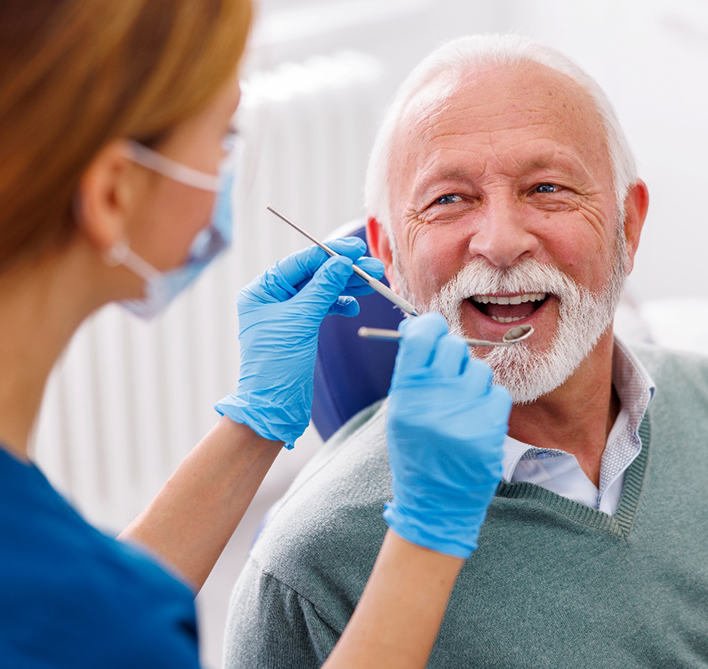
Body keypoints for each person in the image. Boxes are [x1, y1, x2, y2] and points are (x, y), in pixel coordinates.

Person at [0, 3, 514, 667]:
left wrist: (254, 421)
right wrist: (427, 536)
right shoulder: (107, 618)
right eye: (223, 136)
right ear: (111, 195)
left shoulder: (69, 598)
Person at [224, 33, 708, 668]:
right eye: (449, 199)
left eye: (547, 188)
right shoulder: (309, 578)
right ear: (389, 256)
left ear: (628, 224)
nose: (502, 243)